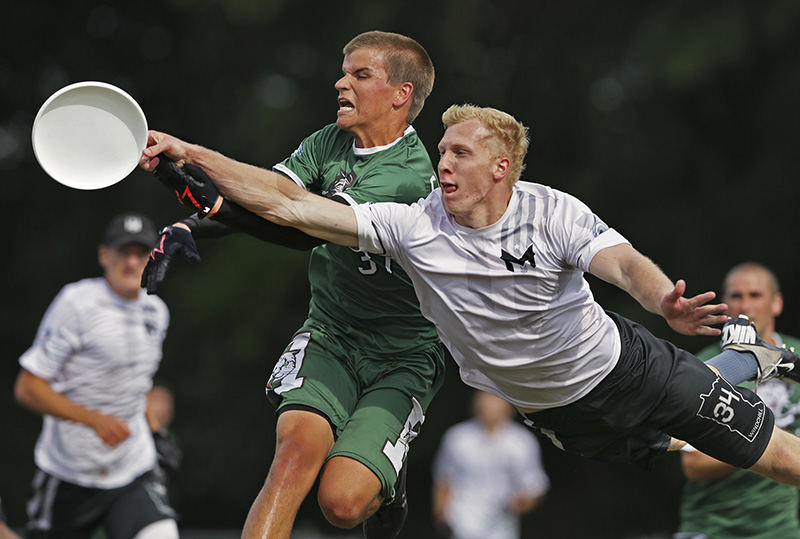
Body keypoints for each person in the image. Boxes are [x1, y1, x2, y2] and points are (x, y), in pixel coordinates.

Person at [142, 103, 800, 490]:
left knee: (772, 454)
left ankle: (760, 353)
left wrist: (664, 303)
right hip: (562, 418)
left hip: (636, 371)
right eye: (442, 151)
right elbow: (290, 203)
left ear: (501, 167)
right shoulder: (411, 225)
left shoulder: (552, 214)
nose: (444, 164)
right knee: (684, 456)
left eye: (459, 152)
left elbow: (626, 266)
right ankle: (752, 354)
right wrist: (191, 152)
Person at [140, 31, 445, 539]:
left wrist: (194, 166)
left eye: (359, 75)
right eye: (343, 71)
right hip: (331, 334)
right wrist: (193, 214)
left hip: (405, 354)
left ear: (401, 94)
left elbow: (296, 224)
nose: (340, 82)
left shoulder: (410, 180)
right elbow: (265, 197)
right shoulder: (330, 141)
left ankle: (392, 477)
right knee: (292, 458)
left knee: (342, 504)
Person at [14, 213, 179, 538]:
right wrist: (94, 420)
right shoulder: (77, 303)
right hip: (70, 472)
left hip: (132, 469)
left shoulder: (156, 312)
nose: (132, 262)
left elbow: (137, 383)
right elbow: (27, 387)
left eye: (141, 252)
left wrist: (152, 424)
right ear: (105, 256)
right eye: (123, 252)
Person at [677, 262, 800, 539]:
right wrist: (768, 435)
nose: (745, 305)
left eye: (755, 295)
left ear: (776, 302)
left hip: (779, 529)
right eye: (736, 296)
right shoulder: (706, 368)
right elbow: (694, 465)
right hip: (711, 528)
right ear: (724, 305)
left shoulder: (797, 359)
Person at [432, 391, 549, 539]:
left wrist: (523, 501)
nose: (488, 405)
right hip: (460, 523)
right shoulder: (457, 437)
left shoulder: (521, 442)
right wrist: (441, 515)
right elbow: (443, 479)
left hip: (500, 527)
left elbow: (535, 485)